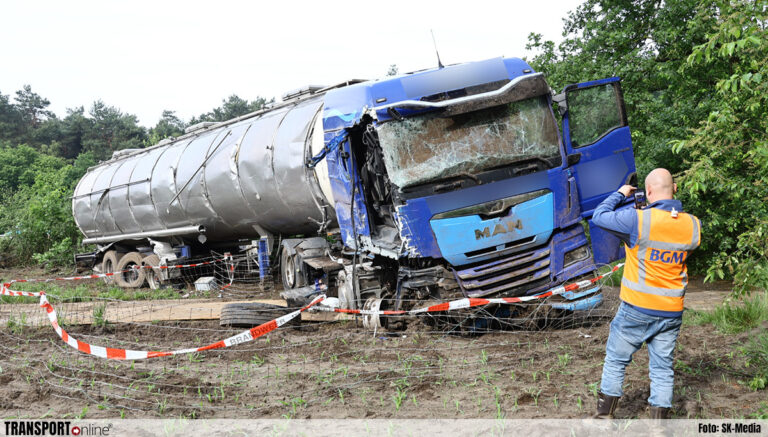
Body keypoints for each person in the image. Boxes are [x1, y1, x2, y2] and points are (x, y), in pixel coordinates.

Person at [591, 168, 701, 419]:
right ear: (674, 189)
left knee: (616, 360)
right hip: (671, 310)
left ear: (647, 192)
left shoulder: (636, 220)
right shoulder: (693, 225)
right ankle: (659, 426)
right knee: (663, 368)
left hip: (637, 308)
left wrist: (620, 193)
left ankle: (605, 417)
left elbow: (599, 216)